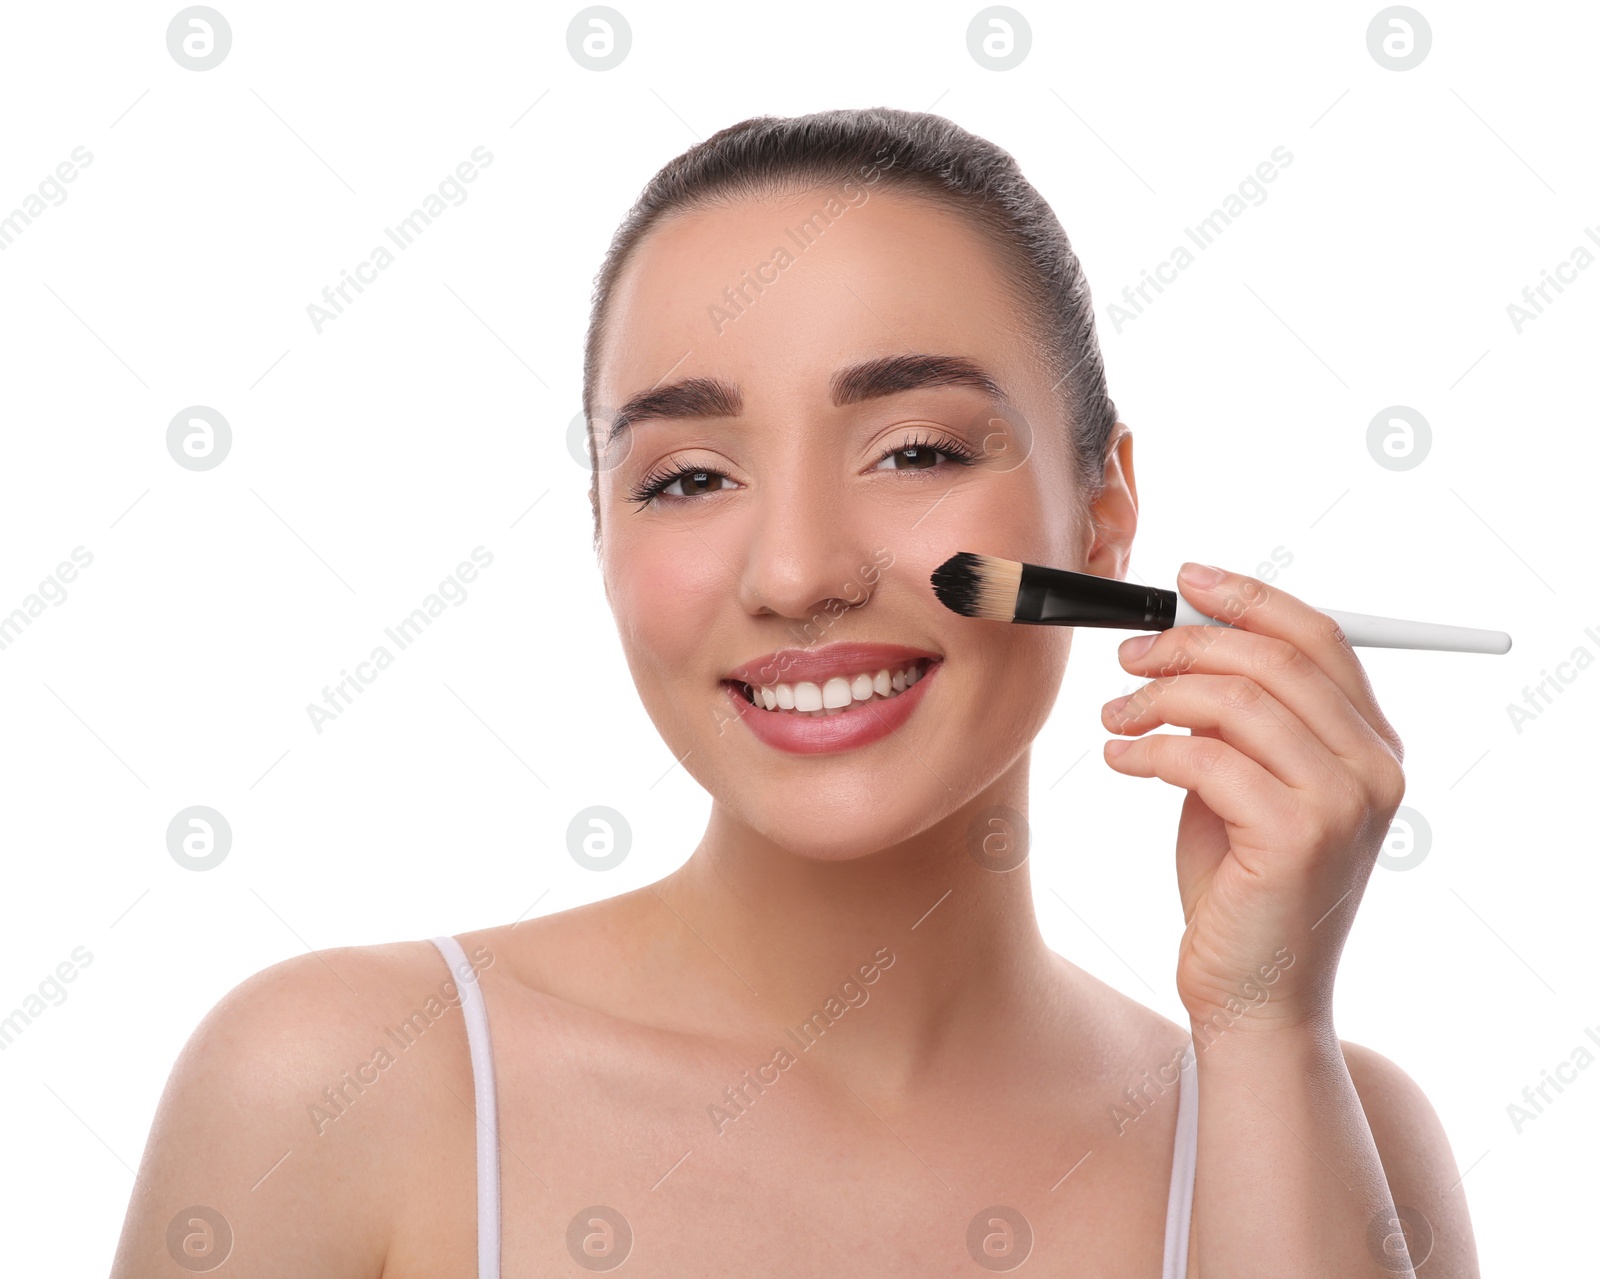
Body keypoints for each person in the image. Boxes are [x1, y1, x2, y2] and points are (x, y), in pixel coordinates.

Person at [111, 107, 1478, 1277]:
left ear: (1104, 509)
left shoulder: (1325, 1121)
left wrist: (1264, 1025)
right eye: (689, 477)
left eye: (914, 450)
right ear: (602, 530)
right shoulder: (338, 1081)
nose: (798, 570)